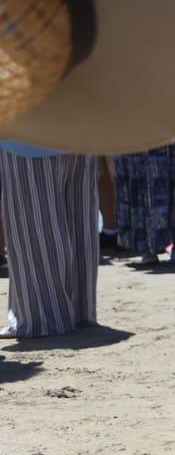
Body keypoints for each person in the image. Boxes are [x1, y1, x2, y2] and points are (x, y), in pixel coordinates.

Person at [0, 142, 99, 339]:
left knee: (34, 228)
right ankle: (79, 311)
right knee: (78, 223)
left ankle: (45, 317)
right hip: (83, 132)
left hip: (29, 137)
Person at [114, 139, 175, 266]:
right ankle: (147, 249)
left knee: (172, 184)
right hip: (135, 133)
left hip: (164, 130)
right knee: (141, 187)